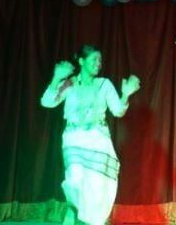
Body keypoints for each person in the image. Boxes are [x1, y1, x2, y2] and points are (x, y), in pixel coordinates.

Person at [40, 45, 141, 225]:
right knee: (74, 180)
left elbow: (118, 110)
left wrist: (125, 94)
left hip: (97, 139)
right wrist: (56, 78)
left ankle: (91, 220)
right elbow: (47, 102)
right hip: (73, 139)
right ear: (81, 61)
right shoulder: (69, 83)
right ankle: (74, 208)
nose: (98, 63)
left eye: (100, 60)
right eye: (94, 59)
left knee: (96, 186)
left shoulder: (104, 84)